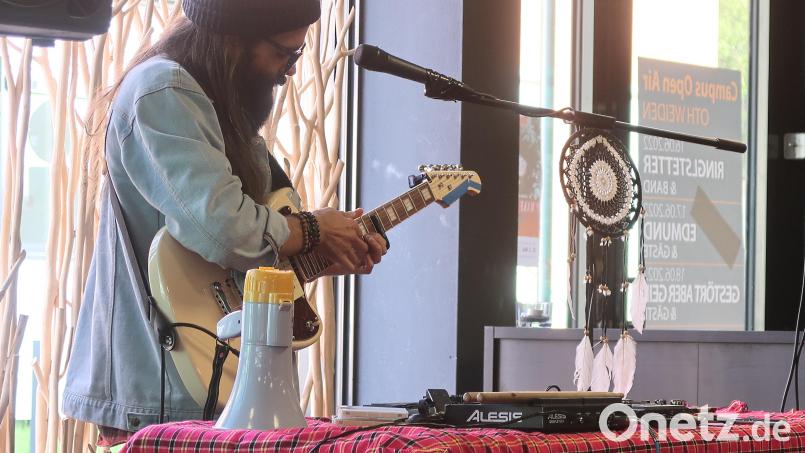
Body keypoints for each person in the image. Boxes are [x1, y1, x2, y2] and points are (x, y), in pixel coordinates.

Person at [62, 0, 386, 444]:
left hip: (207, 386)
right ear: (232, 38)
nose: (290, 70)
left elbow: (231, 261)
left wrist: (322, 256)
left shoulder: (216, 104)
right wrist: (312, 229)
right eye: (284, 54)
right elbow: (224, 228)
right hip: (162, 388)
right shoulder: (162, 90)